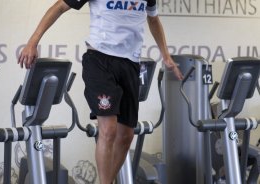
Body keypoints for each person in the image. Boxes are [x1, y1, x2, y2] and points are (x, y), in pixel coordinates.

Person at [18, 0, 183, 183]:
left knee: (127, 135)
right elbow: (59, 7)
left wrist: (166, 56)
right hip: (99, 59)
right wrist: (33, 42)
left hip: (130, 64)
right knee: (108, 129)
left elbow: (153, 20)